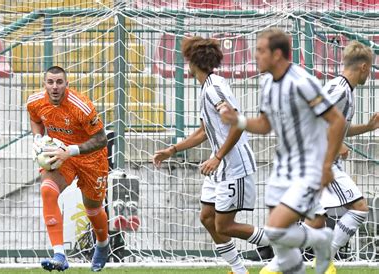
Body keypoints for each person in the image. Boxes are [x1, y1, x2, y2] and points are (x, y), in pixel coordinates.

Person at [218, 28, 346, 274]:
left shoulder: (302, 82)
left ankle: (321, 240)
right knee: (277, 238)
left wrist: (327, 165)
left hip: (308, 167)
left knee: (276, 230)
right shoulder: (267, 84)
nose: (255, 56)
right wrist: (238, 121)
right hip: (281, 169)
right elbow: (265, 126)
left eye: (260, 51)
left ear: (277, 54)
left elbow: (337, 120)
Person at [153, 36, 270, 274]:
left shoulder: (215, 89)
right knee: (207, 217)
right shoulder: (207, 86)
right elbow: (204, 131)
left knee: (224, 226)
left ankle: (282, 241)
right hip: (221, 167)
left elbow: (237, 124)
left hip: (234, 166)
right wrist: (172, 150)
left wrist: (217, 157)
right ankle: (239, 270)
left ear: (192, 61)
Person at [303, 41, 378, 273]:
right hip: (320, 160)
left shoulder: (343, 89)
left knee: (315, 220)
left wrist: (367, 127)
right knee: (359, 208)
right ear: (364, 67)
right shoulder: (340, 89)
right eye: (372, 68)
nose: (372, 73)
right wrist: (338, 145)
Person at [27, 65, 110, 272]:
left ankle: (102, 243)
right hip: (61, 154)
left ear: (67, 84)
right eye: (50, 82)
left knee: (92, 209)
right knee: (47, 189)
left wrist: (71, 151)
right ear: (44, 84)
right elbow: (35, 119)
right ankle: (59, 255)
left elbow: (101, 139)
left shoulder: (81, 105)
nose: (54, 87)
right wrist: (38, 138)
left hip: (91, 158)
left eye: (59, 82)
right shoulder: (35, 101)